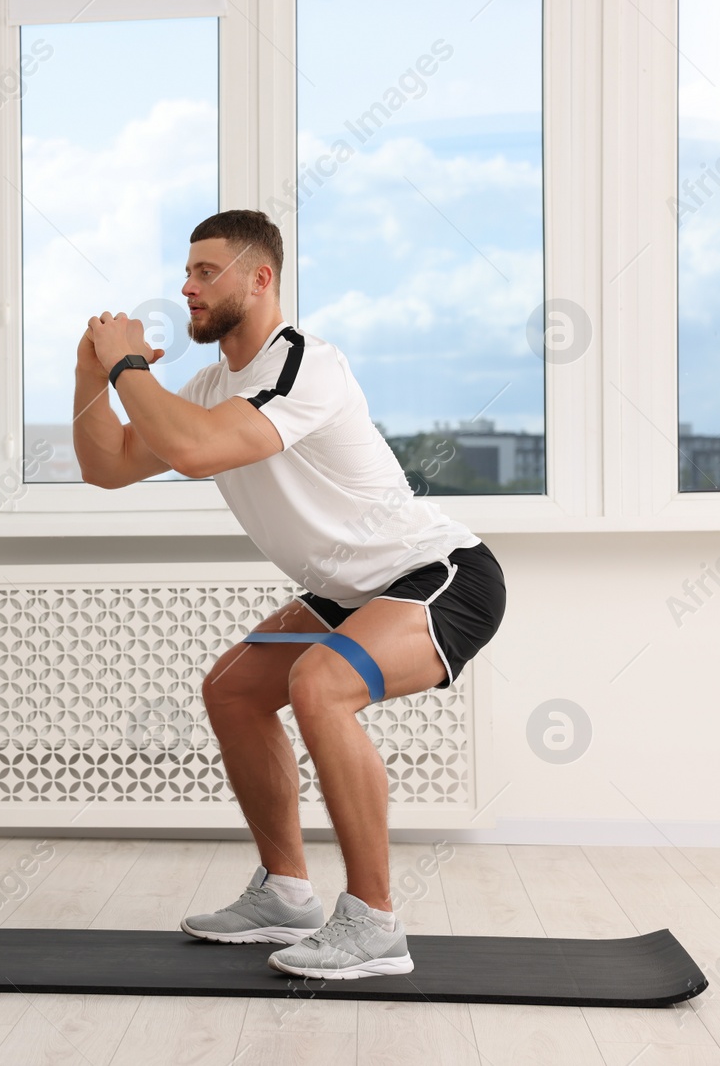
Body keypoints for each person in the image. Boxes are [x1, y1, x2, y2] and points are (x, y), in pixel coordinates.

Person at [72, 209, 506, 979]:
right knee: (234, 689)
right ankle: (285, 892)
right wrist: (91, 375)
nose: (187, 286)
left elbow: (199, 449)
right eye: (187, 271)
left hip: (438, 574)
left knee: (320, 682)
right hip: (346, 591)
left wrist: (128, 367)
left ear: (259, 277)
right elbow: (109, 465)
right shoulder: (211, 384)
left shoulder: (305, 364)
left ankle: (374, 924)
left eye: (206, 271)